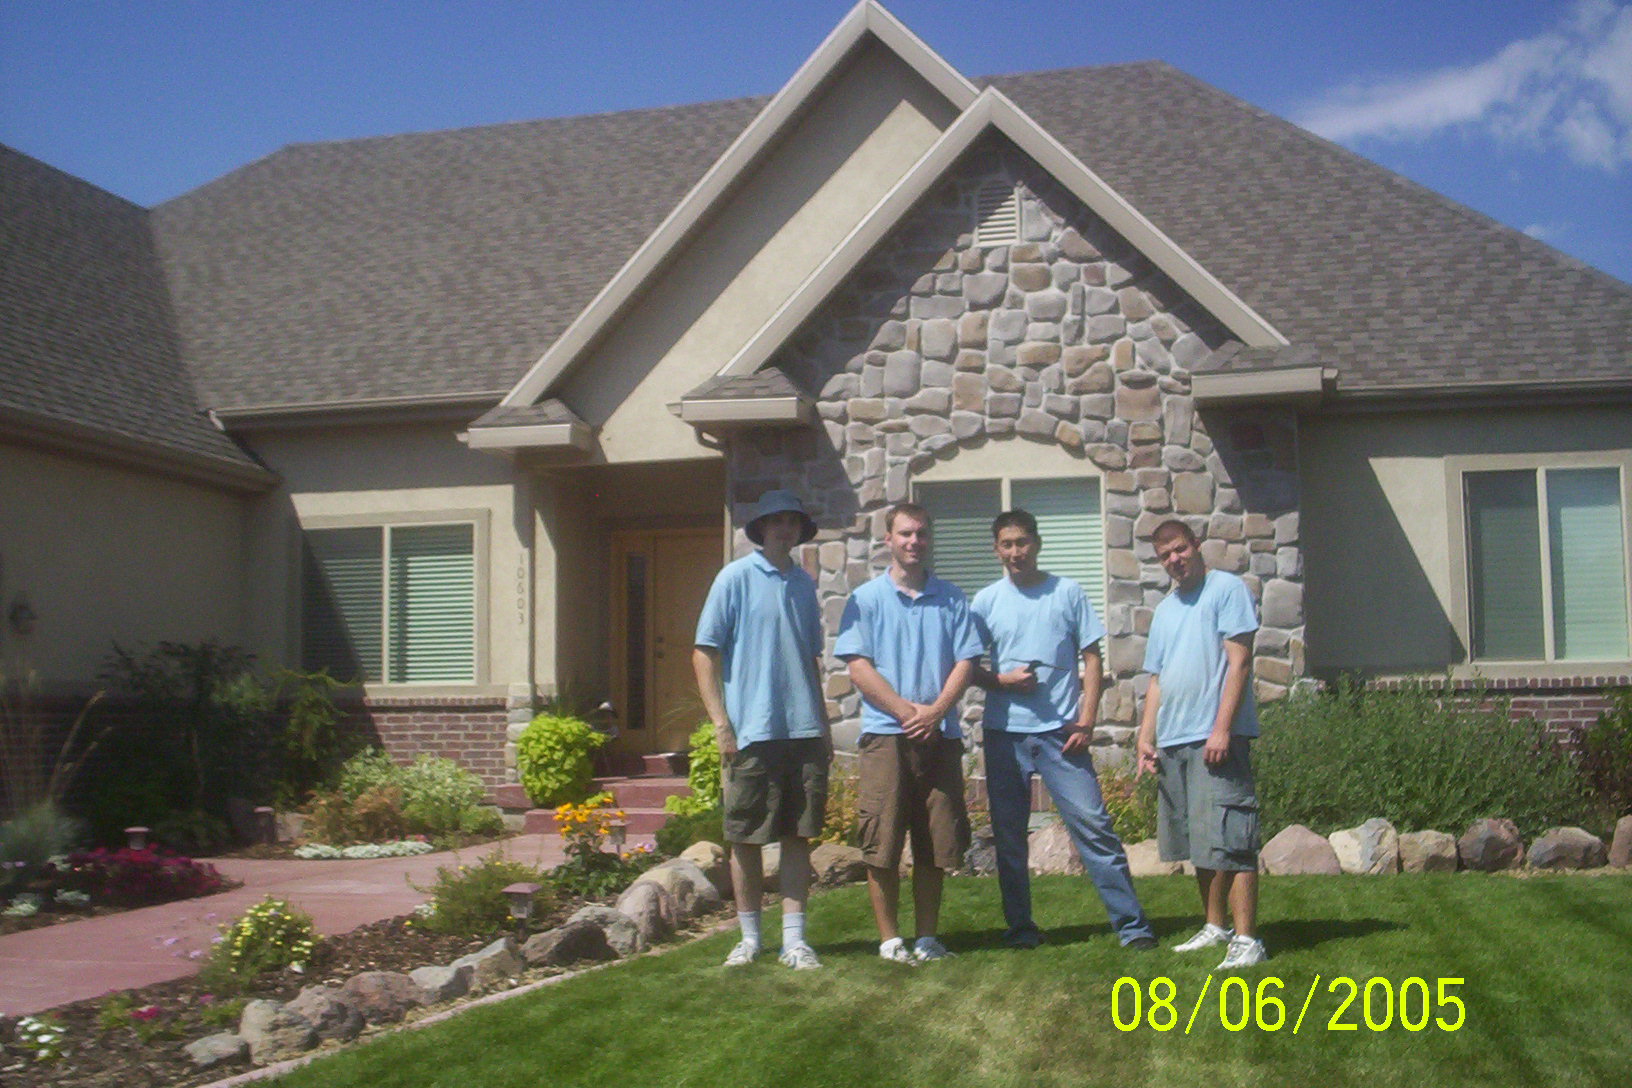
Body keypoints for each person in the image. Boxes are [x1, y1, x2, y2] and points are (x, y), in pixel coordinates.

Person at [970, 509, 1157, 951]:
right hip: (1004, 734)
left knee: (1094, 827)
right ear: (996, 550)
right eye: (1006, 544)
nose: (1015, 552)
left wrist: (1087, 720)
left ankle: (1133, 928)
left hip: (1061, 734)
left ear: (1036, 543)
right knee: (1010, 838)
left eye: (1022, 542)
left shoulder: (1067, 593)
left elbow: (1092, 658)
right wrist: (1002, 681)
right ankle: (1021, 930)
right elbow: (967, 668)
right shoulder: (985, 602)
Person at [835, 502, 982, 964]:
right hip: (886, 735)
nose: (914, 541)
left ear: (929, 538)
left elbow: (967, 661)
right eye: (905, 534)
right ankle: (889, 941)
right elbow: (858, 667)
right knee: (881, 840)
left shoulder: (952, 598)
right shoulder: (866, 599)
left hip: (939, 735)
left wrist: (936, 712)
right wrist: (905, 711)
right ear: (889, 540)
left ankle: (927, 938)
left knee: (935, 842)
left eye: (921, 533)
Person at [694, 489, 831, 970]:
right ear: (761, 528)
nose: (784, 528)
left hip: (803, 732)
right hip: (751, 732)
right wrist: (721, 723)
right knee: (746, 838)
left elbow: (810, 659)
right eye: (776, 521)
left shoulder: (804, 585)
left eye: (792, 521)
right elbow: (703, 653)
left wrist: (823, 725)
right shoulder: (734, 578)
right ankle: (749, 939)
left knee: (797, 836)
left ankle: (795, 942)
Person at [1136, 519, 1267, 969]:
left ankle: (1247, 940)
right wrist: (1145, 737)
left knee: (1233, 837)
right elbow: (1157, 679)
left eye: (1179, 549)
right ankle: (1216, 927)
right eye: (1165, 555)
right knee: (1200, 843)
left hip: (1215, 737)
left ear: (1195, 544)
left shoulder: (1226, 590)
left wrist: (1222, 728)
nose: (1174, 560)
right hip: (1174, 739)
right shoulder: (1166, 609)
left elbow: (1240, 661)